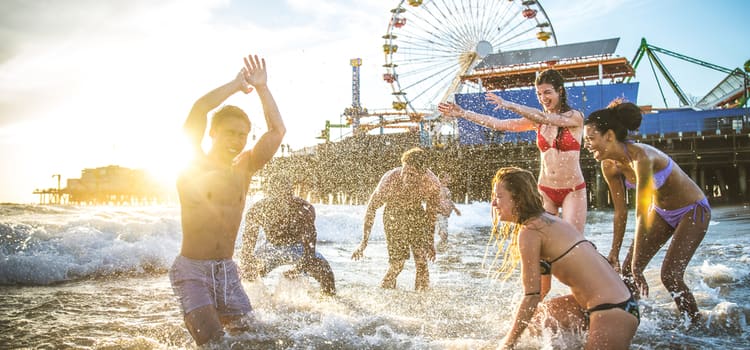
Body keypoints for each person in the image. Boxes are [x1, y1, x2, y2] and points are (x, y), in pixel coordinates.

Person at [168, 53, 286, 346]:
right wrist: (235, 85)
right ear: (213, 132)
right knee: (214, 343)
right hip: (193, 271)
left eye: (243, 135)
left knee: (256, 342)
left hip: (228, 273)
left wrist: (262, 88)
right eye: (230, 133)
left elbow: (277, 131)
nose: (237, 140)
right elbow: (199, 109)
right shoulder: (193, 163)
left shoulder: (244, 168)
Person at [583, 99, 710, 324]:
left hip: (692, 209)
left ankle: (696, 325)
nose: (588, 145)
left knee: (670, 276)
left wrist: (635, 263)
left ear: (609, 136)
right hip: (661, 211)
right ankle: (637, 322)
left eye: (591, 139)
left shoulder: (641, 157)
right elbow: (620, 212)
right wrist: (614, 252)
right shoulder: (608, 165)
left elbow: (641, 211)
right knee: (627, 273)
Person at [488, 167, 638, 349]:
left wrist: (507, 343)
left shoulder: (530, 232)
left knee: (523, 325)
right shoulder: (547, 222)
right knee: (538, 319)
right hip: (618, 303)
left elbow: (531, 296)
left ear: (517, 199)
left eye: (498, 196)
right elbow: (542, 291)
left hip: (610, 311)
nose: (494, 204)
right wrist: (520, 330)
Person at [438, 69, 587, 233]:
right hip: (545, 189)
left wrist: (508, 104)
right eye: (539, 94)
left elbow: (545, 117)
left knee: (574, 239)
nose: (543, 98)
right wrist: (463, 113)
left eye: (547, 92)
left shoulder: (574, 117)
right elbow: (500, 124)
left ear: (560, 91)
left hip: (572, 189)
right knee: (544, 240)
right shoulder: (537, 122)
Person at [351, 147, 441, 291]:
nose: (405, 177)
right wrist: (364, 242)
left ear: (422, 174)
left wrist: (430, 241)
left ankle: (422, 301)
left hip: (416, 212)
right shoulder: (390, 181)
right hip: (394, 213)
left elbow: (431, 214)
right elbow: (371, 209)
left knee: (422, 261)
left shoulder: (431, 184)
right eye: (404, 171)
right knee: (398, 264)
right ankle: (383, 294)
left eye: (411, 174)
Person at [241, 173, 336, 296]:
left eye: (286, 193)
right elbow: (248, 245)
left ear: (291, 192)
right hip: (270, 248)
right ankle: (250, 304)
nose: (281, 198)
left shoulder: (304, 208)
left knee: (325, 271)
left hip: (298, 247)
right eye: (277, 194)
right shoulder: (258, 210)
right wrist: (247, 263)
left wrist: (299, 268)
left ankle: (328, 302)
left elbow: (309, 250)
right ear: (269, 193)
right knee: (247, 273)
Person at [436, 172, 461, 247]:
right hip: (439, 213)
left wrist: (455, 209)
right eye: (447, 177)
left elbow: (449, 200)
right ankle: (440, 249)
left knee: (445, 233)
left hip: (444, 214)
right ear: (442, 179)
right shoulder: (439, 188)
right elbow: (436, 200)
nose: (449, 179)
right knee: (443, 233)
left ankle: (442, 248)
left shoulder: (446, 188)